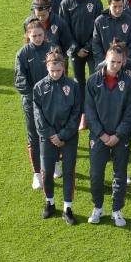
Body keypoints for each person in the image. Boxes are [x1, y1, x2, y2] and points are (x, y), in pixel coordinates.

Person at [85, 44, 131, 226]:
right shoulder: (92, 81)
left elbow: (130, 112)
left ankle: (117, 210)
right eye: (112, 61)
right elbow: (89, 112)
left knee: (120, 175)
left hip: (120, 138)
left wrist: (118, 134)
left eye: (118, 62)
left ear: (123, 62)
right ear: (105, 60)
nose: (115, 65)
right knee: (96, 174)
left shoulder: (129, 83)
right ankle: (98, 207)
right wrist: (101, 134)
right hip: (98, 137)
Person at [30, 49, 81, 223]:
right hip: (47, 137)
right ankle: (49, 202)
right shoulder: (39, 87)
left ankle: (67, 207)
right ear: (47, 68)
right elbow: (38, 115)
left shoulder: (73, 86)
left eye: (58, 70)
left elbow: (76, 113)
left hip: (69, 137)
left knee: (68, 171)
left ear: (64, 68)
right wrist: (52, 135)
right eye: (52, 71)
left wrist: (63, 135)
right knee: (47, 171)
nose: (55, 74)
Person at [15, 12, 60, 191]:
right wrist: (35, 97)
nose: (38, 38)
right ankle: (36, 174)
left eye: (40, 35)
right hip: (32, 103)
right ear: (27, 36)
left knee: (54, 133)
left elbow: (60, 72)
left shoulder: (52, 49)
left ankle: (56, 162)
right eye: (34, 36)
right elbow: (20, 80)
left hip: (52, 101)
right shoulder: (23, 54)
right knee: (34, 137)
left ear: (45, 34)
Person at [57, 0, 104, 87]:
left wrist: (88, 47)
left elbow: (99, 28)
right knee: (78, 82)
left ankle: (93, 104)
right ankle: (80, 105)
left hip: (92, 49)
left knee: (95, 78)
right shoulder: (66, 3)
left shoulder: (95, 2)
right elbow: (64, 29)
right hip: (75, 51)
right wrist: (76, 48)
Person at [93, 0, 131, 72]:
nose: (118, 10)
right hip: (105, 65)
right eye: (114, 7)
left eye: (120, 6)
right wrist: (106, 61)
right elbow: (96, 45)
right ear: (108, 5)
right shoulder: (100, 21)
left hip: (125, 65)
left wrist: (123, 62)